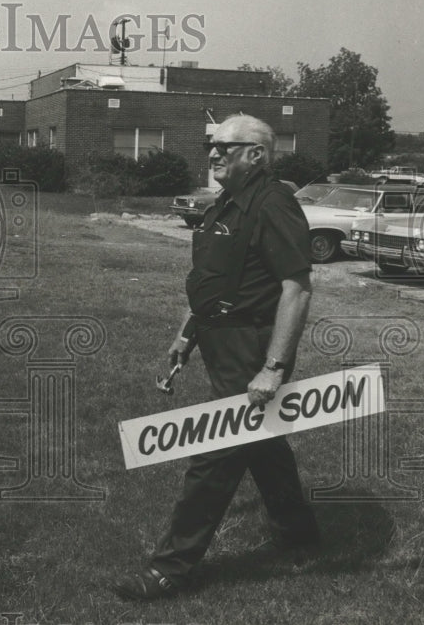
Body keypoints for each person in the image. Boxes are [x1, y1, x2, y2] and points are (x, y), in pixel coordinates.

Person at [115, 114, 320, 600]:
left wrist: (272, 367)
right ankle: (298, 532)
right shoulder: (226, 204)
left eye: (224, 147)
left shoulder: (273, 204)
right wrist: (186, 334)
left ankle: (171, 568)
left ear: (257, 154)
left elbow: (296, 288)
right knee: (263, 441)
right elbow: (214, 279)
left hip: (252, 347)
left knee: (216, 453)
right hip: (220, 340)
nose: (212, 153)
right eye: (212, 145)